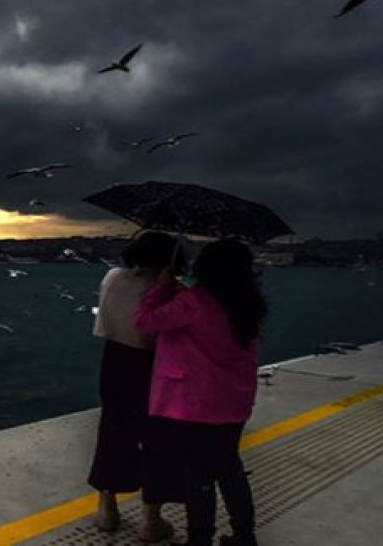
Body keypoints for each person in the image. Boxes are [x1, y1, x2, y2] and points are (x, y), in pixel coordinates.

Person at [134, 238, 264, 546]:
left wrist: (162, 287)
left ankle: (199, 540)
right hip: (234, 403)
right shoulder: (247, 304)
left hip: (198, 407)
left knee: (199, 478)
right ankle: (244, 536)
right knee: (230, 471)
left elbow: (144, 321)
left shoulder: (193, 303)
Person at [87, 231, 185, 541]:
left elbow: (106, 322)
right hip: (154, 365)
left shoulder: (113, 277)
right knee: (157, 438)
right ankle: (151, 519)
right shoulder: (169, 289)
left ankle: (107, 509)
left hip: (115, 360)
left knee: (113, 430)